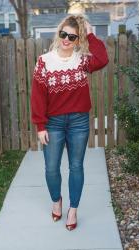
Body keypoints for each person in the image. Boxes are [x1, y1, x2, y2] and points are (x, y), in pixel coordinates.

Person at [30, 14, 109, 231]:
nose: (66, 39)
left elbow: (102, 59)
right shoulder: (44, 61)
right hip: (53, 123)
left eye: (72, 37)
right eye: (64, 34)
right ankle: (57, 200)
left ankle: (73, 209)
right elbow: (37, 96)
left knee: (76, 166)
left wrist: (91, 34)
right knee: (51, 168)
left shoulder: (83, 60)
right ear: (58, 34)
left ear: (78, 40)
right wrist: (40, 126)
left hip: (79, 122)